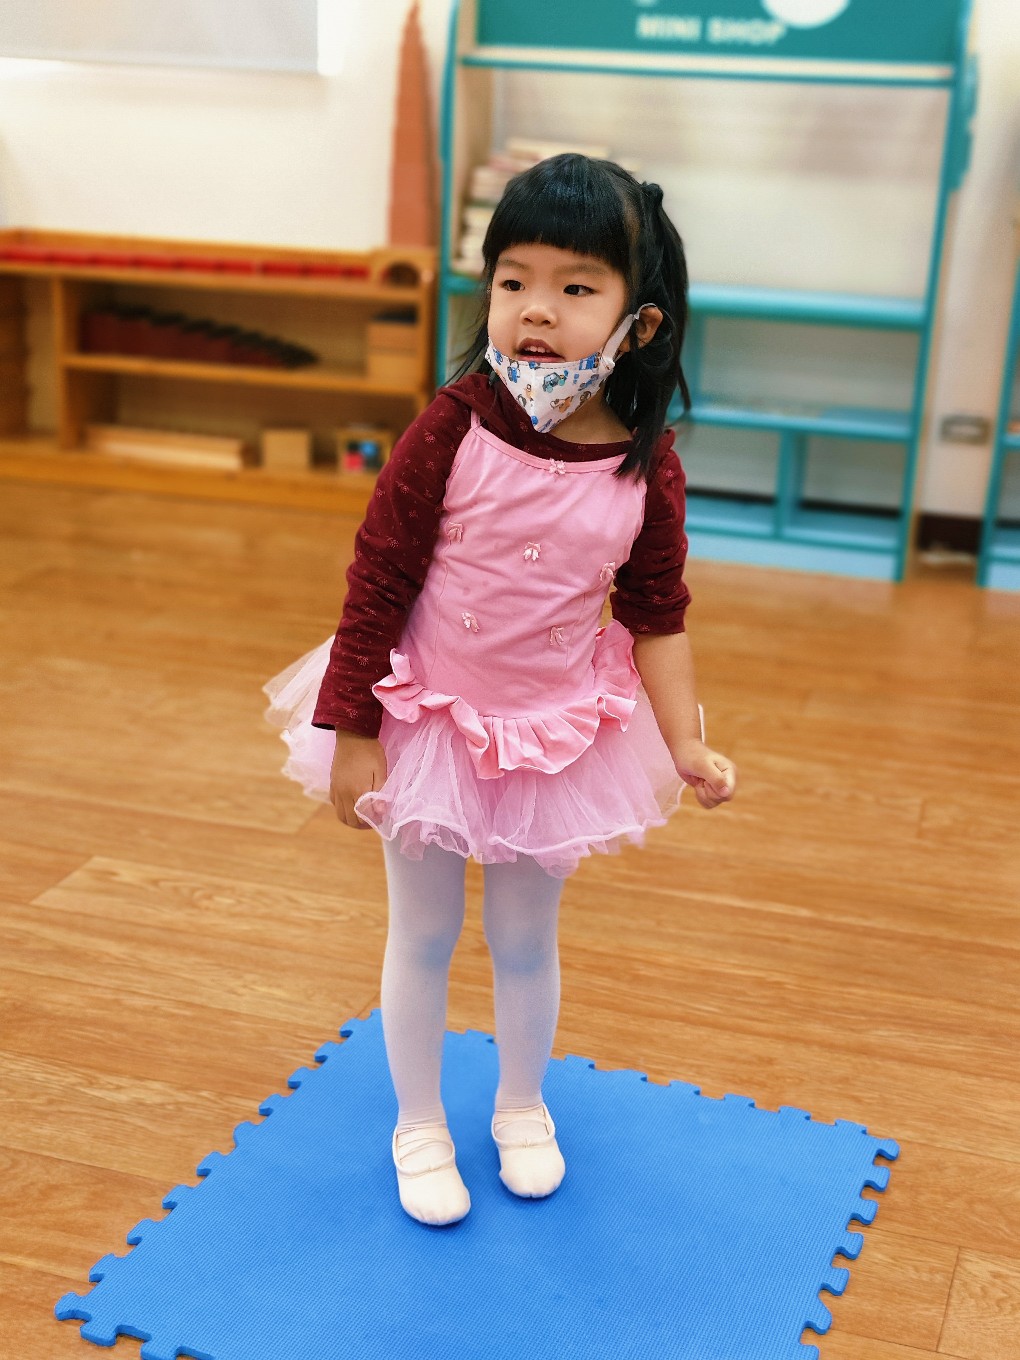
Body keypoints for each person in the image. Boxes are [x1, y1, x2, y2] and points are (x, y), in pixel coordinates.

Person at [264, 154, 736, 1229]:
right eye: (514, 280)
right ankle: (419, 1122)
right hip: (427, 716)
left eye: (576, 287)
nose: (536, 310)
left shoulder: (644, 467)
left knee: (525, 939)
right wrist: (352, 726)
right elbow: (378, 578)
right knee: (423, 931)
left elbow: (657, 614)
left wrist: (685, 744)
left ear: (639, 324)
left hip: (554, 736)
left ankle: (522, 1105)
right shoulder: (453, 425)